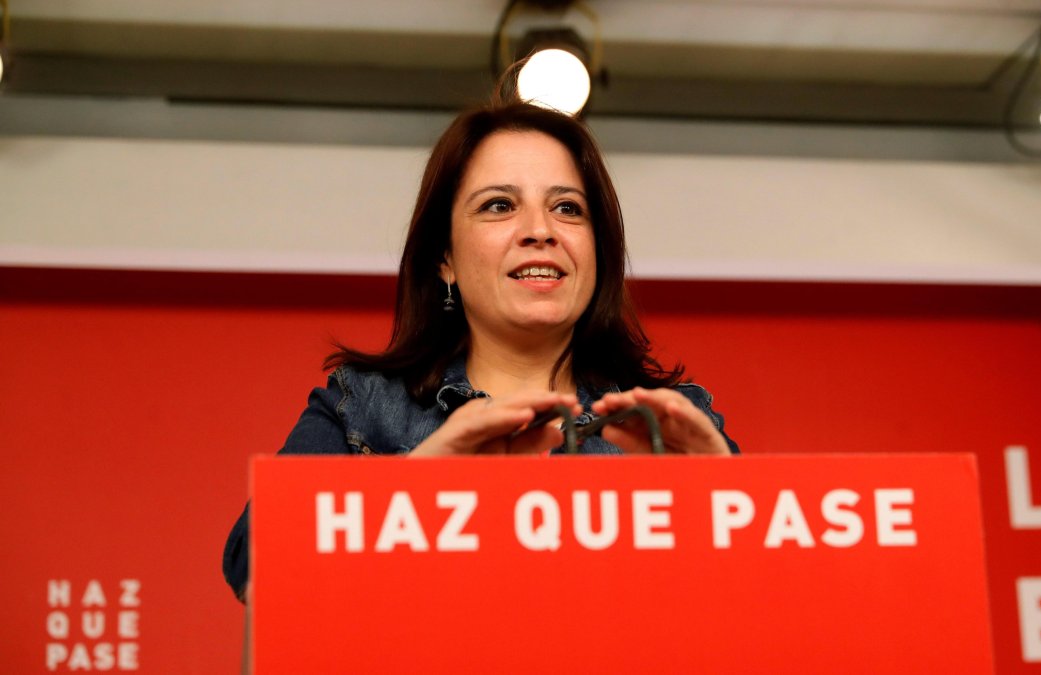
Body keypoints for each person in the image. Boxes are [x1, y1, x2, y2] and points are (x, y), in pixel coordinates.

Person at [222, 100, 738, 601]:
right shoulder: (363, 407)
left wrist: (725, 501)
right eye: (499, 205)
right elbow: (253, 565)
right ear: (444, 257)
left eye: (567, 208)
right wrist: (413, 491)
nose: (540, 231)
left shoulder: (674, 422)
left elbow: (761, 593)